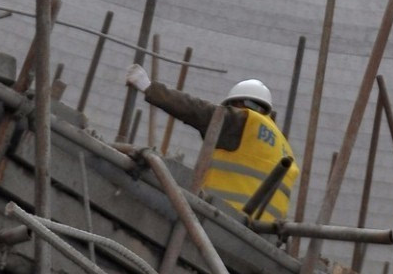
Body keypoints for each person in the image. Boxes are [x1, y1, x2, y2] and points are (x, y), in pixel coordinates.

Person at [124, 66, 300, 224]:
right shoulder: (283, 147)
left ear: (242, 104)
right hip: (260, 237)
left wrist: (149, 88)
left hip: (223, 220)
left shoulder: (243, 122)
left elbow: (196, 110)